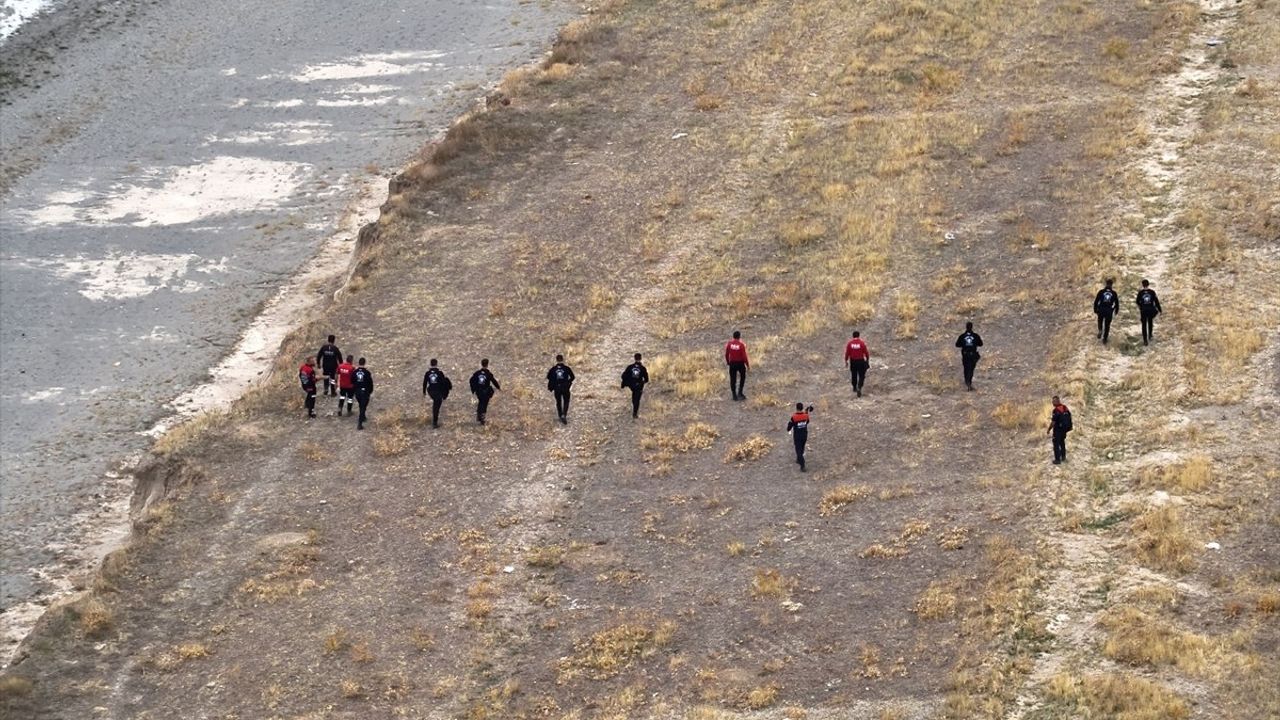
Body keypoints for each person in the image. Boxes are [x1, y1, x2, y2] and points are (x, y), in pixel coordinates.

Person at [422, 359, 453, 428]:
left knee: (436, 404)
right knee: (437, 405)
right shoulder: (440, 373)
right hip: (437, 391)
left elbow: (424, 383)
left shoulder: (427, 373)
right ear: (436, 364)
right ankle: (434, 422)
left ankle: (434, 420)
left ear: (430, 364)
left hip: (431, 390)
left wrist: (424, 392)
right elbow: (443, 383)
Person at [546, 354, 576, 424]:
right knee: (566, 401)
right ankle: (564, 414)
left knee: (558, 402)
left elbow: (548, 377)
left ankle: (560, 415)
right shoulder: (566, 368)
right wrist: (568, 382)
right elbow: (573, 377)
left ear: (556, 360)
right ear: (563, 360)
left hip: (557, 388)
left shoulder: (553, 369)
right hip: (565, 387)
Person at [469, 359, 501, 425]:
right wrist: (498, 387)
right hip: (485, 391)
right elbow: (493, 381)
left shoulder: (477, 373)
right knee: (485, 403)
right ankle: (482, 416)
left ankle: (479, 414)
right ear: (487, 364)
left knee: (480, 402)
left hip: (479, 391)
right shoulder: (488, 373)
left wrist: (473, 389)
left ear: (481, 364)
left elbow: (471, 380)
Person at [955, 321, 983, 391]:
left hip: (965, 354)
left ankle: (967, 382)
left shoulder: (962, 336)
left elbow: (957, 345)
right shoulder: (975, 336)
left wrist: (964, 345)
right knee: (971, 369)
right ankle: (969, 382)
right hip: (972, 355)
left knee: (966, 369)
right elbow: (981, 344)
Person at [786, 403, 814, 472]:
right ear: (802, 408)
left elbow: (790, 426)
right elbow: (807, 422)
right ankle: (799, 459)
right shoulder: (806, 416)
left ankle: (802, 465)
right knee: (802, 447)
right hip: (804, 435)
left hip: (797, 436)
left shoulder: (794, 417)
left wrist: (788, 429)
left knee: (798, 450)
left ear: (796, 408)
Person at [621, 353, 649, 419]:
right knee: (637, 399)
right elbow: (646, 379)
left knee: (634, 397)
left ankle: (634, 409)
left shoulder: (630, 367)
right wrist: (643, 382)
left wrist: (628, 382)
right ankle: (635, 413)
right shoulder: (642, 368)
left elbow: (623, 376)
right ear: (641, 358)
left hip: (632, 386)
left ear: (634, 358)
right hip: (638, 386)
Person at [1093, 278, 1120, 344]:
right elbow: (1117, 303)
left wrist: (1095, 309)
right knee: (1107, 325)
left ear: (1106, 284)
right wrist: (1116, 311)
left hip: (1101, 309)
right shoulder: (1114, 293)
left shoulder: (1101, 292)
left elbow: (1096, 301)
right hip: (1109, 311)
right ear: (1111, 285)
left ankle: (1100, 330)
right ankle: (1105, 339)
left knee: (1100, 321)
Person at [1047, 395, 1073, 464]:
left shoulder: (1056, 410)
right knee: (1062, 442)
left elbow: (1053, 422)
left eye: (1053, 401)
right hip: (1064, 429)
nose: (1052, 403)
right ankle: (1063, 457)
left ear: (1057, 401)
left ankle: (1057, 459)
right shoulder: (1065, 408)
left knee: (1056, 444)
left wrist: (1049, 429)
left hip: (1058, 429)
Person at [1135, 279, 1162, 345]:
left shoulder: (1140, 292)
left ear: (1143, 285)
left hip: (1143, 310)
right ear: (1148, 284)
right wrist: (1160, 310)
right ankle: (1150, 335)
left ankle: (1145, 340)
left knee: (1144, 325)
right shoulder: (1152, 292)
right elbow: (1156, 302)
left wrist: (1141, 306)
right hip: (1150, 309)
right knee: (1150, 321)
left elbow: (1137, 301)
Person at [725, 330, 750, 400]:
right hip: (740, 363)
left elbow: (726, 354)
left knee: (733, 379)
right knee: (742, 377)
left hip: (732, 363)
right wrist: (747, 365)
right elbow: (744, 356)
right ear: (739, 337)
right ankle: (740, 392)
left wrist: (728, 362)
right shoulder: (741, 345)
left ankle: (734, 395)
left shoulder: (729, 344)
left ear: (733, 336)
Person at [844, 331, 870, 397]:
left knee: (854, 374)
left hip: (853, 361)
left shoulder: (850, 343)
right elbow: (866, 352)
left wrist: (846, 360)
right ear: (859, 336)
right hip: (860, 361)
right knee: (862, 375)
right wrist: (867, 359)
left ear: (853, 336)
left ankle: (854, 387)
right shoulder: (861, 343)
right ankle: (859, 386)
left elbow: (847, 353)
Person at [352, 357, 374, 430]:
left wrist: (355, 389)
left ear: (359, 363)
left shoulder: (355, 372)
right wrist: (370, 391)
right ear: (364, 363)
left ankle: (363, 417)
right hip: (364, 391)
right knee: (363, 406)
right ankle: (360, 423)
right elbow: (370, 383)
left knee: (361, 405)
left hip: (357, 391)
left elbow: (352, 381)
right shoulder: (367, 373)